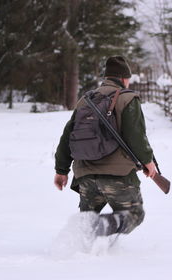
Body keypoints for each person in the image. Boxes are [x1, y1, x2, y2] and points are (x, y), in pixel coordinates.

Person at [54, 55, 157, 237]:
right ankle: (101, 227)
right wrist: (148, 161)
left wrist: (61, 170)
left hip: (85, 176)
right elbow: (136, 136)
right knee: (134, 214)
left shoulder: (86, 100)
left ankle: (78, 249)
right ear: (124, 78)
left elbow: (67, 137)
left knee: (87, 220)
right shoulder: (128, 99)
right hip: (118, 177)